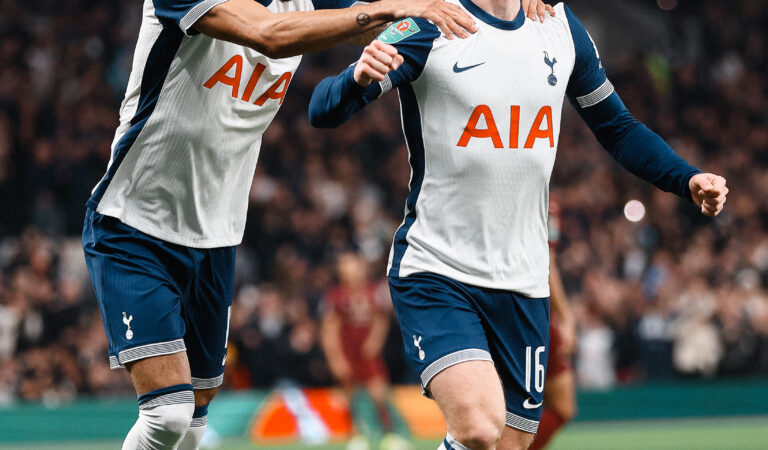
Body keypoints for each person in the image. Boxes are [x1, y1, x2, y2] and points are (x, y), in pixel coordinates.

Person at [78, 0, 547, 448]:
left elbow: (402, 12)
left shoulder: (301, 1)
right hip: (133, 223)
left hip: (216, 237)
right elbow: (269, 35)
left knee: (195, 417)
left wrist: (508, 9)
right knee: (168, 416)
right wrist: (394, 8)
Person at [307, 0, 729, 448]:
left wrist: (686, 178)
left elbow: (617, 126)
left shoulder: (559, 25)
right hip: (438, 268)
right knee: (478, 428)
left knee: (509, 444)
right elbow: (322, 108)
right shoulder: (431, 21)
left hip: (524, 282)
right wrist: (356, 79)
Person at [320, 251, 403, 450]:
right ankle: (356, 436)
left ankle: (389, 435)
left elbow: (380, 320)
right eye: (345, 266)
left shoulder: (372, 292)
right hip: (348, 352)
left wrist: (375, 341)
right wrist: (336, 358)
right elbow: (329, 329)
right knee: (350, 396)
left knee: (379, 393)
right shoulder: (336, 296)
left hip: (368, 355)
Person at [529, 200, 576, 450]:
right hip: (532, 313)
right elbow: (547, 264)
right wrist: (566, 318)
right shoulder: (546, 204)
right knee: (560, 406)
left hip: (492, 309)